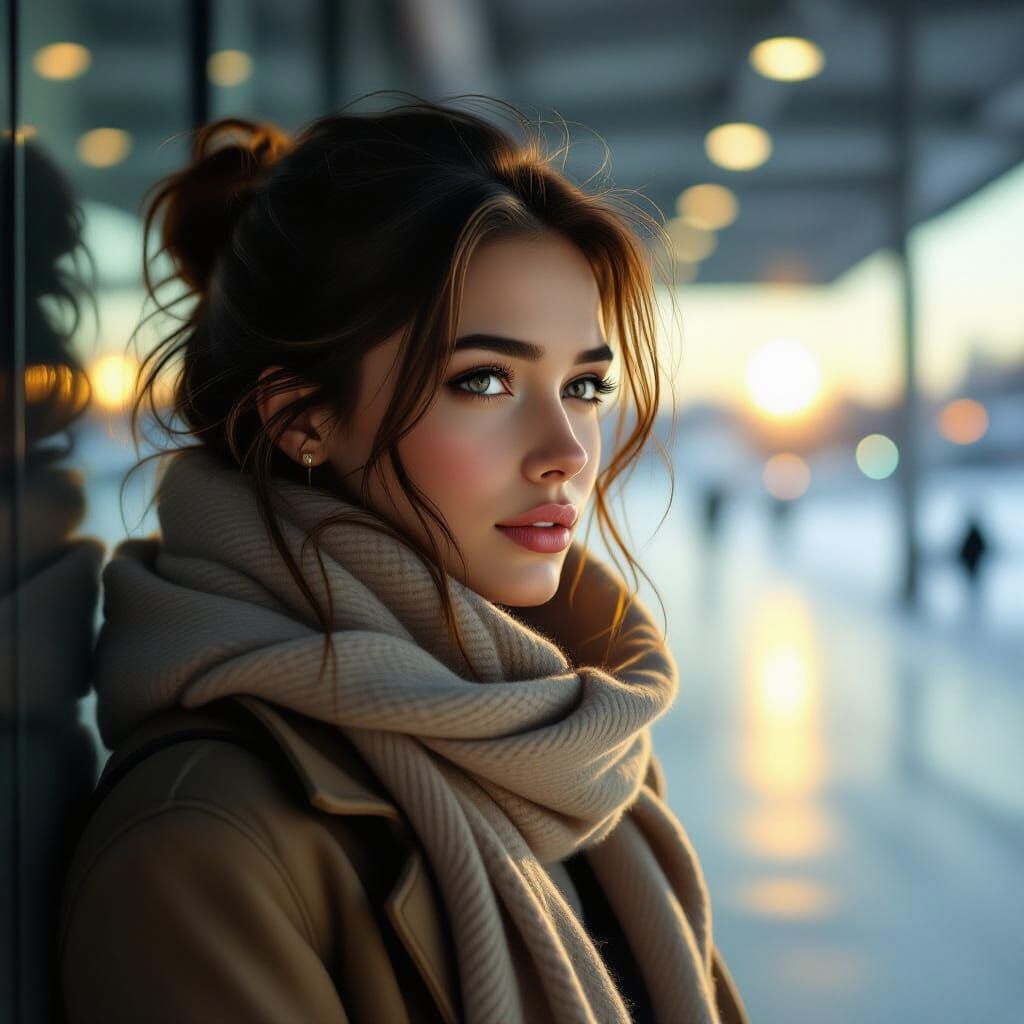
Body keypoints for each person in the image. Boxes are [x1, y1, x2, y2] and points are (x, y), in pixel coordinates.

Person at [57, 92, 748, 1024]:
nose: (570, 450)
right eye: (486, 381)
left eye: (584, 384)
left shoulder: (576, 738)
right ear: (302, 418)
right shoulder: (207, 845)